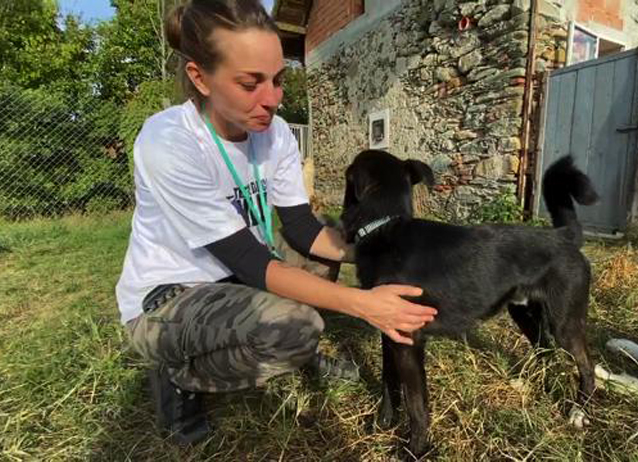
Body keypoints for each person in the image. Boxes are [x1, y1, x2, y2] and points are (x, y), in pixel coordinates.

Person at [115, 0, 437, 446]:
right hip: (171, 298)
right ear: (199, 78)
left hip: (237, 274)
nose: (273, 98)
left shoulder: (276, 133)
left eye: (279, 79)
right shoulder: (169, 141)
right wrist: (363, 304)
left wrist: (388, 248)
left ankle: (281, 344)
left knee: (325, 241)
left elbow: (303, 230)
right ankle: (182, 377)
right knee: (299, 330)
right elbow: (250, 262)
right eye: (250, 83)